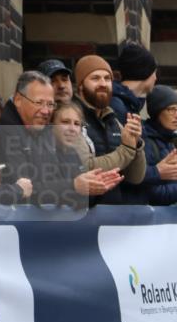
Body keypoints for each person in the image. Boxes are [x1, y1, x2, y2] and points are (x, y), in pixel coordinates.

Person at [0, 71, 118, 206]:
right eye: (39, 102)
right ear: (18, 100)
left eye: (50, 104)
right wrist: (73, 186)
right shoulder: (3, 134)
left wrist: (92, 187)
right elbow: (25, 190)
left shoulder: (45, 134)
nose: (45, 111)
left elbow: (55, 183)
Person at [71, 54, 147, 203]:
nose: (103, 83)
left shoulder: (113, 120)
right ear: (80, 85)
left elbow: (136, 177)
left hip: (112, 215)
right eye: (95, 78)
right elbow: (86, 167)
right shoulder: (71, 117)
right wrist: (126, 149)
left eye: (107, 78)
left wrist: (136, 144)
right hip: (81, 215)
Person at [50, 103, 123, 193]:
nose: (72, 128)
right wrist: (74, 186)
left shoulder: (73, 154)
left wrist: (95, 186)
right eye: (65, 122)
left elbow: (82, 200)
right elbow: (38, 191)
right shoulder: (42, 152)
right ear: (51, 125)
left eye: (77, 124)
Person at [110, 41, 157, 125]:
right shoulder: (117, 106)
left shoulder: (129, 103)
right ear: (146, 72)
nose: (155, 78)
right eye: (154, 72)